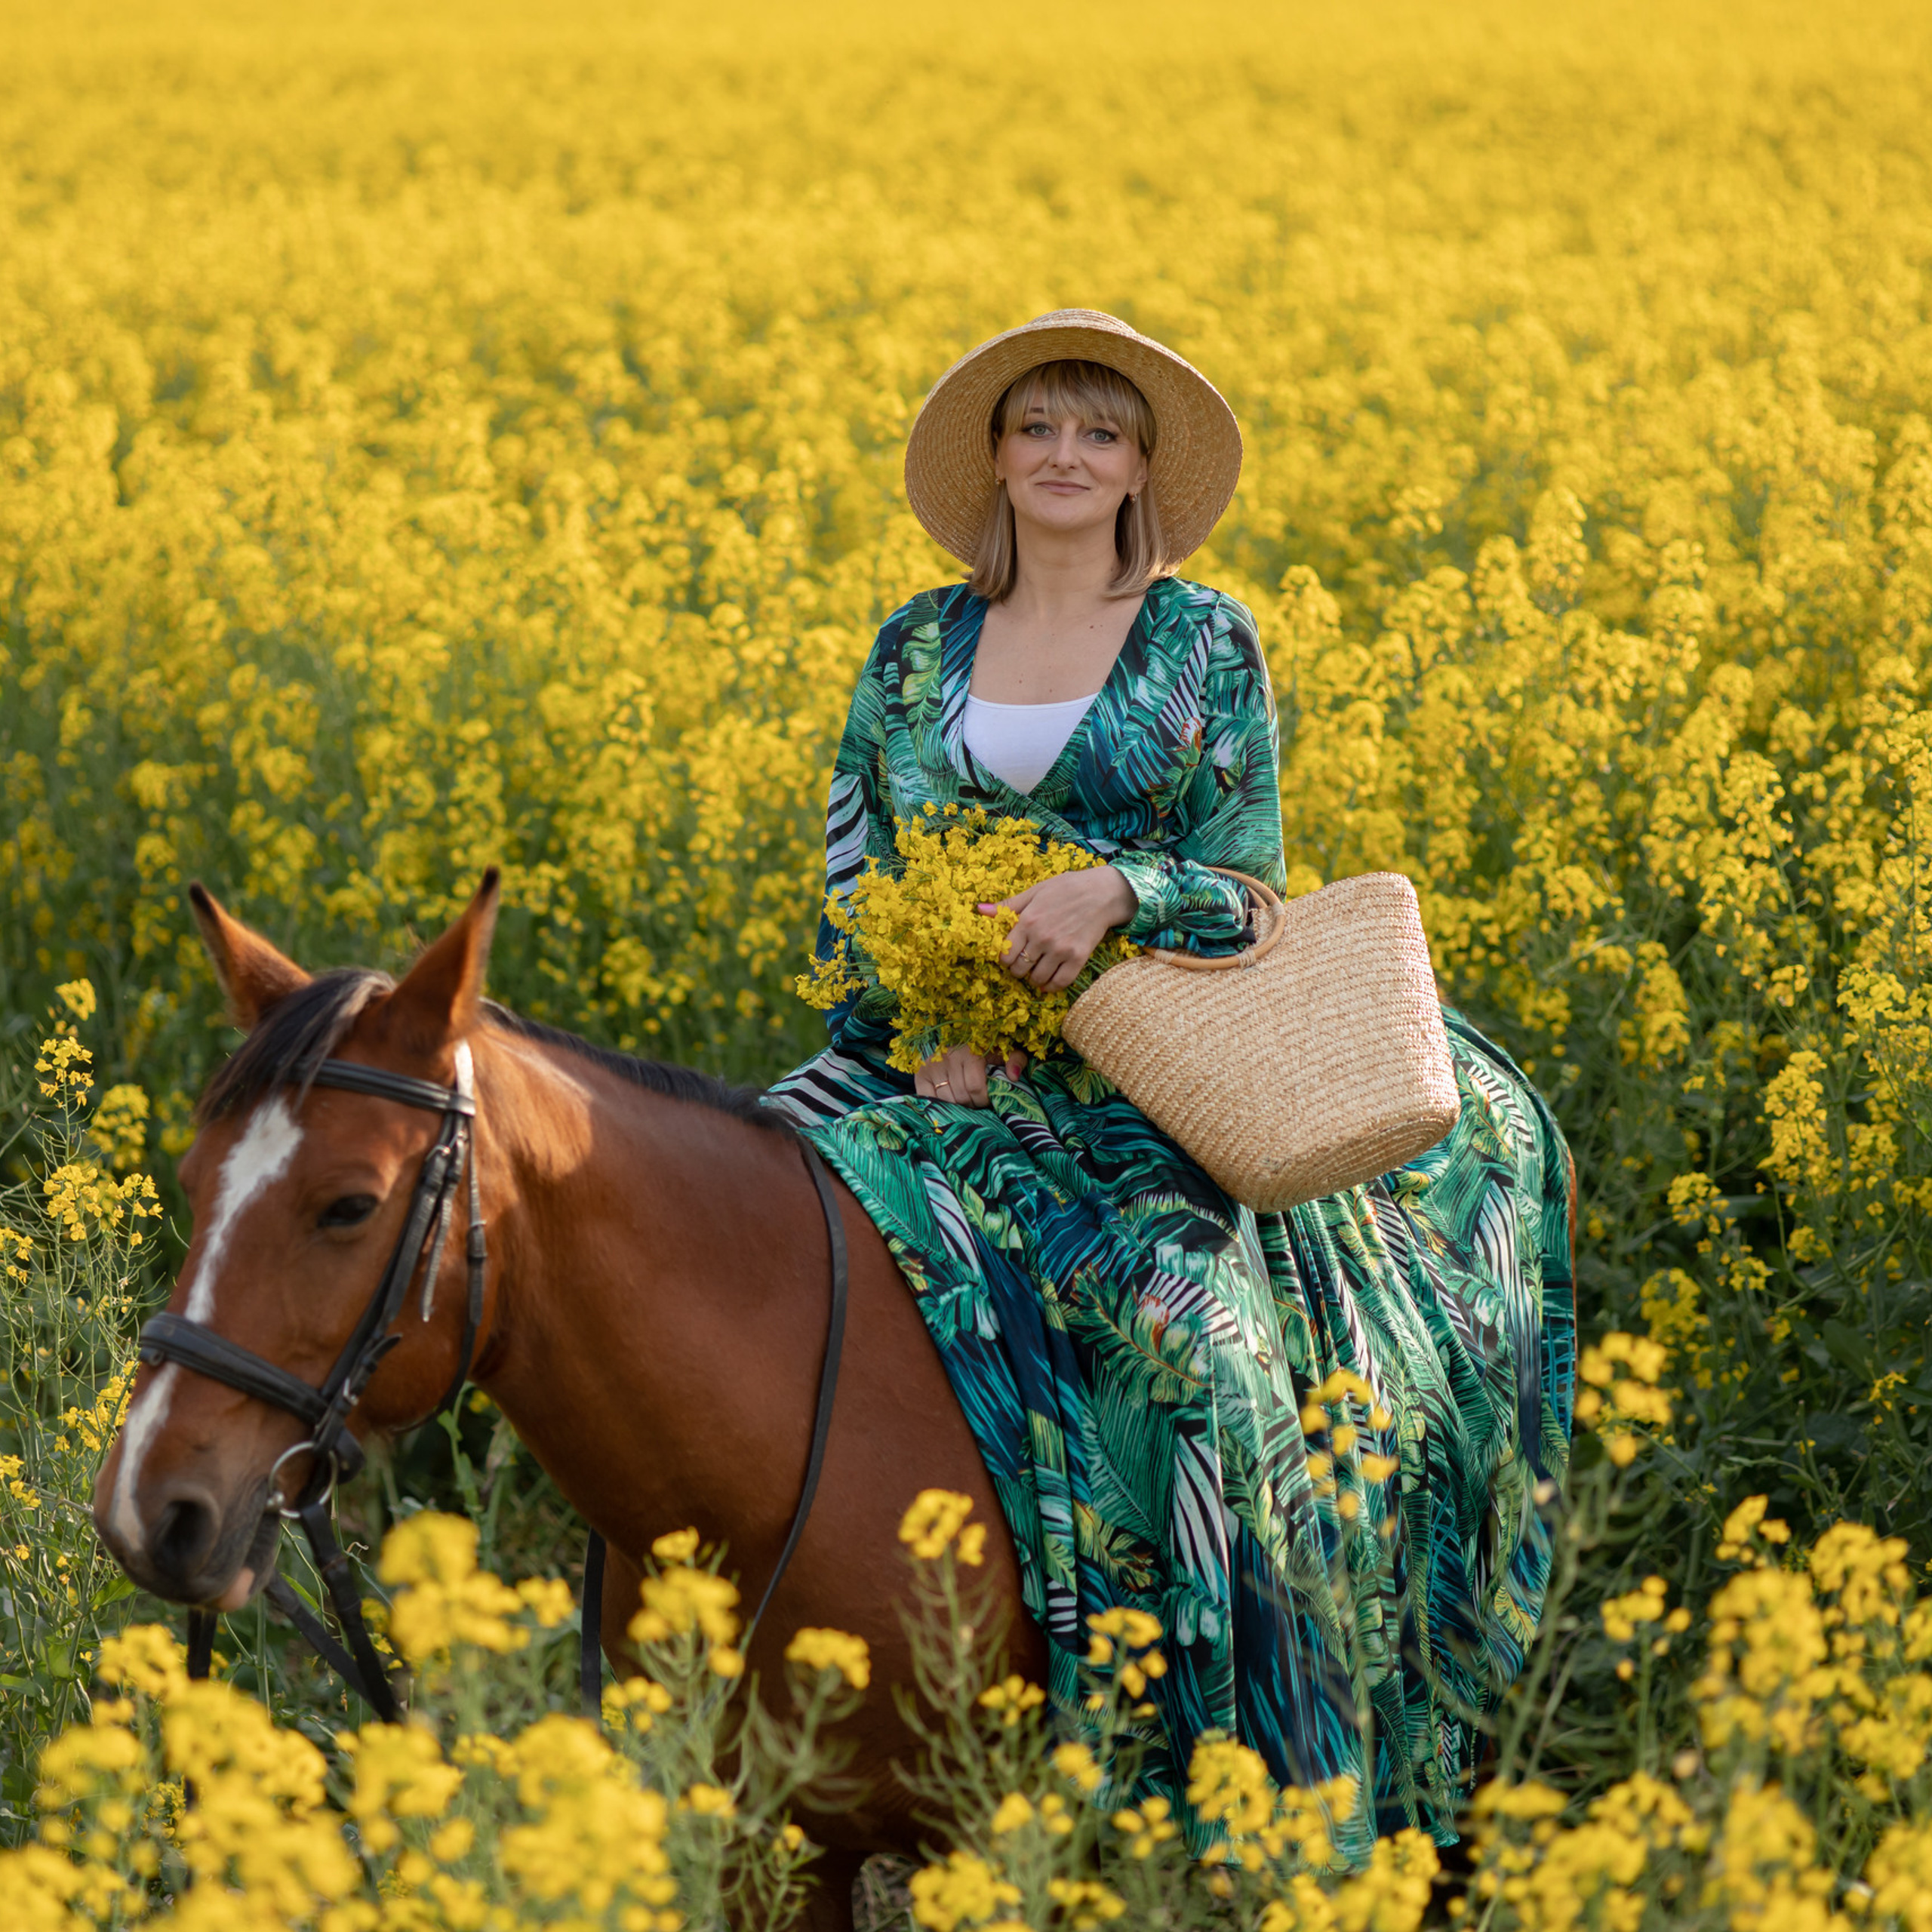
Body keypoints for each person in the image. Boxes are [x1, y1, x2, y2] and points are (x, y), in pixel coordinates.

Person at [764, 309, 1574, 1855]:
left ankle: (1248, 1759)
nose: (1064, 456)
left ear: (1137, 468)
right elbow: (849, 869)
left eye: (1098, 433)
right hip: (930, 1061)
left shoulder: (1203, 638)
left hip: (1143, 1071)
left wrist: (1116, 892)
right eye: (1036, 429)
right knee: (702, 1232)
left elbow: (1251, 888)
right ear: (995, 460)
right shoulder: (911, 643)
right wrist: (911, 1010)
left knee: (1191, 1342)